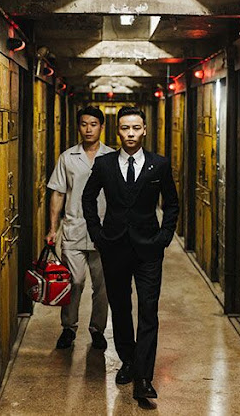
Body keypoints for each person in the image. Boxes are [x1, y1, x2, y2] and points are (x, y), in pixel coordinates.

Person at [82, 106, 179, 401]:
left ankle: (144, 377)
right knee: (121, 307)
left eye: (136, 128)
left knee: (148, 309)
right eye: (125, 128)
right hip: (114, 246)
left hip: (149, 248)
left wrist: (164, 237)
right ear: (118, 131)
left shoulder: (159, 165)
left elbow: (172, 203)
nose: (131, 134)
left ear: (144, 130)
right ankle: (127, 360)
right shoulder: (105, 164)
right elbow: (88, 198)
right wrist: (97, 234)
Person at [46, 106, 115, 350]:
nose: (88, 129)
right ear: (78, 127)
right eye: (84, 124)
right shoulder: (67, 157)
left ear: (102, 127)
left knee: (102, 287)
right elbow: (58, 193)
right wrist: (53, 228)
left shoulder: (112, 157)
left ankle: (97, 330)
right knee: (73, 282)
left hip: (105, 233)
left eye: (93, 124)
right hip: (74, 229)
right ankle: (69, 327)